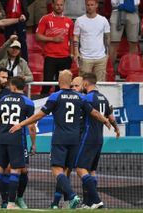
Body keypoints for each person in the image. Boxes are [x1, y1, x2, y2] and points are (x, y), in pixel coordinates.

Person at [9, 70, 111, 209]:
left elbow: (39, 115)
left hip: (60, 138)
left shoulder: (55, 96)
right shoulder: (80, 97)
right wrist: (105, 120)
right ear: (70, 82)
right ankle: (64, 202)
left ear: (58, 81)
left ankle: (71, 196)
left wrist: (21, 124)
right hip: (75, 140)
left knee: (57, 170)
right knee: (67, 171)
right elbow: (94, 112)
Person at [75, 73, 120, 209]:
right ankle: (88, 203)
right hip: (99, 138)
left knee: (80, 168)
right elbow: (111, 116)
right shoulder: (103, 98)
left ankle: (96, 200)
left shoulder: (87, 98)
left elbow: (95, 113)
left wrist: (105, 121)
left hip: (88, 136)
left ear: (86, 83)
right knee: (91, 170)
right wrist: (116, 129)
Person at [0, 76, 35, 209]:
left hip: (2, 138)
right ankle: (11, 203)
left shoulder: (2, 100)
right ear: (23, 87)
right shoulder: (28, 102)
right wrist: (33, 143)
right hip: (17, 139)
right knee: (15, 171)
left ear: (13, 87)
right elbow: (31, 126)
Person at [50, 75, 84, 209]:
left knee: (62, 171)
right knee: (65, 172)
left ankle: (68, 199)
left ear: (84, 86)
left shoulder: (81, 101)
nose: (74, 88)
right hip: (74, 140)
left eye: (77, 86)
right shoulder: (82, 100)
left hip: (69, 140)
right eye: (73, 85)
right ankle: (57, 202)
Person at [35, 0, 74, 95]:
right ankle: (42, 104)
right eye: (57, 5)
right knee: (47, 83)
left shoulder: (69, 21)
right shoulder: (45, 19)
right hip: (50, 57)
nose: (59, 7)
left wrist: (72, 54)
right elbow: (38, 36)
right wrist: (53, 39)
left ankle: (59, 105)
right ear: (52, 5)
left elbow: (72, 40)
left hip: (65, 57)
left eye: (61, 5)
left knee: (62, 85)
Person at [74, 0, 111, 81]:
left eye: (92, 5)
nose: (90, 7)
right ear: (85, 5)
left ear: (96, 5)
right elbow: (76, 37)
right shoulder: (79, 20)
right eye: (88, 5)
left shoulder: (103, 20)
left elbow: (107, 37)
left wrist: (107, 54)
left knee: (101, 85)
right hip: (85, 57)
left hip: (101, 58)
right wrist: (76, 52)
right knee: (84, 84)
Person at [109, 0, 140, 69]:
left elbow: (137, 2)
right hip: (117, 11)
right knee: (114, 42)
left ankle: (133, 70)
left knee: (133, 42)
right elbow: (114, 2)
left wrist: (126, 5)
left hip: (132, 11)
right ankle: (110, 69)